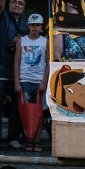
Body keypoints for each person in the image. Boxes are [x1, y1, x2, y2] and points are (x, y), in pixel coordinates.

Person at [0, 0, 28, 150]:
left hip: (18, 69)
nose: (17, 4)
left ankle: (13, 137)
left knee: (16, 105)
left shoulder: (27, 25)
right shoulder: (3, 17)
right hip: (0, 65)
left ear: (24, 8)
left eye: (20, 3)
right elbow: (0, 3)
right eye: (14, 2)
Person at [14, 14, 49, 152]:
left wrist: (44, 82)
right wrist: (17, 82)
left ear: (41, 27)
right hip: (25, 79)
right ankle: (28, 138)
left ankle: (37, 140)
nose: (35, 28)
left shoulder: (45, 42)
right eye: (33, 25)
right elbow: (16, 63)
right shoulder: (21, 41)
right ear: (28, 26)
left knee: (39, 112)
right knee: (27, 111)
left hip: (39, 80)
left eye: (38, 25)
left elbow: (48, 64)